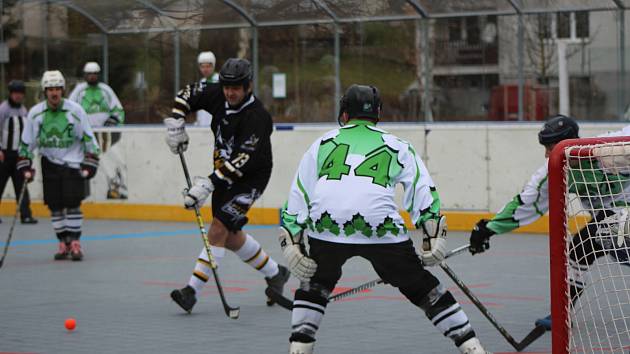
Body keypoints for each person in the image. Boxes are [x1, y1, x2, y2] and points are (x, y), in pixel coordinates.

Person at [280, 84, 491, 354]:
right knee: (421, 286)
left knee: (314, 286)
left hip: (326, 225)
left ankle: (298, 349)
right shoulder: (397, 145)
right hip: (378, 227)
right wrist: (432, 233)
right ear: (378, 113)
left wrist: (292, 239)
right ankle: (472, 348)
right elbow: (421, 187)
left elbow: (300, 191)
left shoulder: (321, 143)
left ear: (344, 113)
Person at [468, 115, 630, 331]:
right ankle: (562, 313)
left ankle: (561, 313)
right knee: (583, 248)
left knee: (593, 240)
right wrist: (489, 229)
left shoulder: (612, 150)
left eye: (550, 147)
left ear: (569, 142)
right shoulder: (553, 169)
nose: (546, 154)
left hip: (621, 215)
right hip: (612, 221)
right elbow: (526, 202)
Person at [165, 58, 290, 313]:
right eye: (226, 87)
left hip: (250, 179)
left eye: (236, 88)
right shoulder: (219, 95)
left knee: (218, 228)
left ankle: (191, 292)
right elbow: (186, 94)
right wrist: (177, 121)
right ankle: (276, 273)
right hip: (222, 174)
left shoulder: (258, 118)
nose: (230, 92)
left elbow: (241, 162)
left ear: (248, 87)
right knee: (230, 238)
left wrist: (206, 186)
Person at [18, 70, 100, 261]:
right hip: (49, 163)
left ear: (62, 90)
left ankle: (75, 242)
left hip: (73, 164)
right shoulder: (36, 113)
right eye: (50, 89)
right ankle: (63, 242)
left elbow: (89, 138)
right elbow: (27, 142)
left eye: (57, 89)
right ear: (44, 91)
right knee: (55, 206)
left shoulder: (76, 110)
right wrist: (25, 164)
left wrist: (91, 163)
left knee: (73, 205)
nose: (54, 93)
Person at [69, 61, 126, 199]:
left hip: (104, 136)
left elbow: (118, 110)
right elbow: (70, 111)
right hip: (85, 136)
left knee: (107, 162)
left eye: (95, 74)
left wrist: (113, 121)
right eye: (89, 74)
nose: (92, 77)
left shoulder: (105, 89)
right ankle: (84, 193)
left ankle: (113, 190)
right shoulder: (79, 91)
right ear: (85, 75)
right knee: (85, 163)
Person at [0, 80, 37, 224]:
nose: (18, 96)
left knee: (21, 185)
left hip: (19, 155)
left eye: (20, 94)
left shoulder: (24, 111)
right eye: (15, 93)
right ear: (10, 94)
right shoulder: (3, 109)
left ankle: (26, 215)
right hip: (4, 154)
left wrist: (27, 152)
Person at [195, 51, 219, 127]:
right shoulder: (201, 82)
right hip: (203, 125)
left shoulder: (220, 81)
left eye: (208, 66)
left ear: (213, 66)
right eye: (202, 66)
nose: (205, 69)